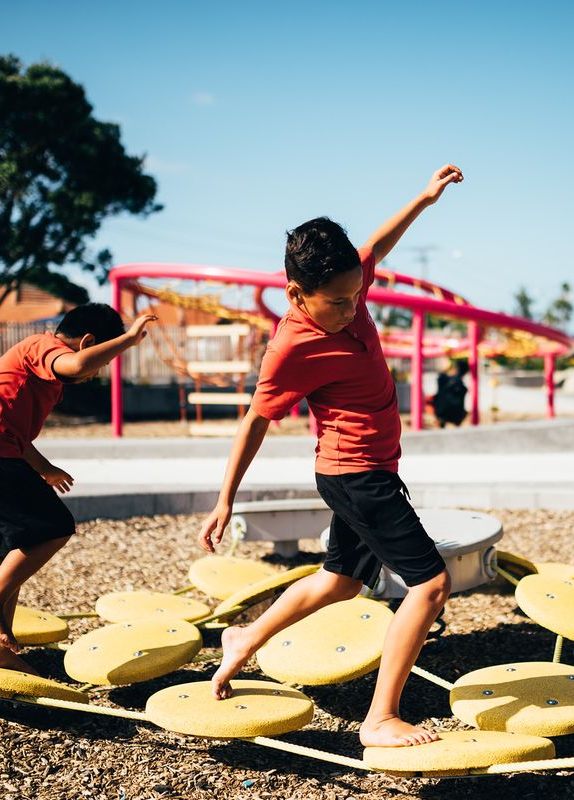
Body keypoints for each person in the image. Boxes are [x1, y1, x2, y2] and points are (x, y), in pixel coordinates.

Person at [198, 163, 464, 748]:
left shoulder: (348, 280)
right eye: (339, 303)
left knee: (340, 581)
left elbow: (375, 246)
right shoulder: (291, 347)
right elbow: (254, 422)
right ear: (297, 294)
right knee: (430, 586)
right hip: (357, 475)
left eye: (356, 296)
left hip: (359, 473)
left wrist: (422, 198)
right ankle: (380, 719)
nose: (352, 309)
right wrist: (225, 500)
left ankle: (245, 638)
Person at [0, 303, 156, 675]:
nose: (96, 373)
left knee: (12, 554)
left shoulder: (43, 380)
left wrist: (44, 469)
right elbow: (76, 365)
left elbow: (15, 432)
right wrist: (128, 339)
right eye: (101, 362)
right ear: (87, 342)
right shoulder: (41, 345)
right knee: (53, 527)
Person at [429, 360, 469, 428]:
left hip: (448, 409)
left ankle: (442, 422)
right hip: (450, 410)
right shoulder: (453, 381)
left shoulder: (454, 381)